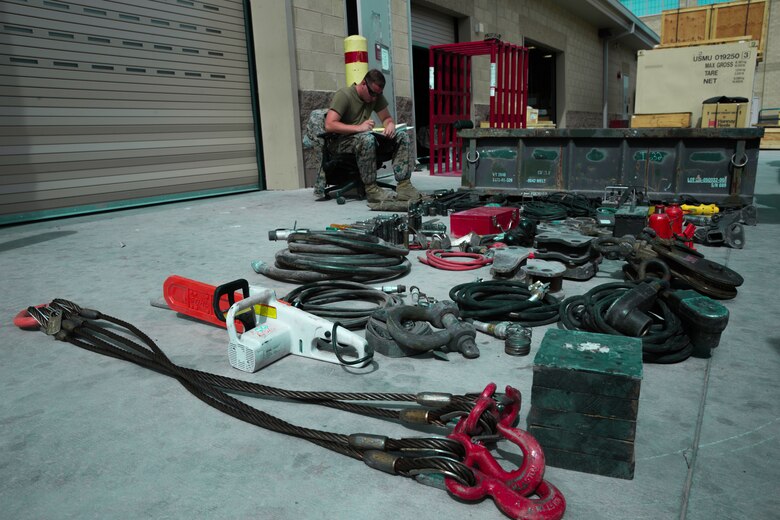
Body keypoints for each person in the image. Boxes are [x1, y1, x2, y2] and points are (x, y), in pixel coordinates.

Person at [322, 69, 421, 203]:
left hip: (363, 138)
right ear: (363, 84)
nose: (374, 98)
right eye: (372, 93)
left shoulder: (375, 95)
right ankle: (371, 189)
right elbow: (329, 125)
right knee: (367, 139)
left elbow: (386, 117)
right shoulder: (344, 95)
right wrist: (359, 128)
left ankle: (404, 185)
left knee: (401, 135)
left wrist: (390, 124)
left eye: (378, 94)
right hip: (341, 141)